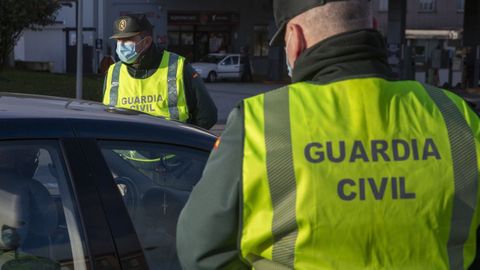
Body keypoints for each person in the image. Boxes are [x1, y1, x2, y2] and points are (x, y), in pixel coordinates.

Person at [177, 0, 480, 269]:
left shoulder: (260, 122)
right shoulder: (456, 115)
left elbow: (200, 249)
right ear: (374, 26)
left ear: (295, 38)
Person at [103, 14, 217, 129]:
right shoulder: (113, 73)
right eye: (118, 40)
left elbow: (207, 116)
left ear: (146, 41)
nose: (121, 45)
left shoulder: (177, 67)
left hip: (167, 147)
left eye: (127, 40)